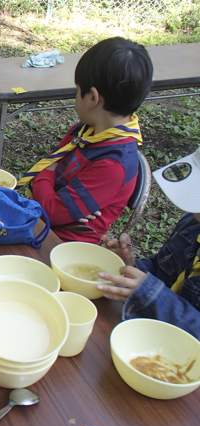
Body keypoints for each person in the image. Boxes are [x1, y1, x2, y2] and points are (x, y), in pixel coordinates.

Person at [16, 37, 153, 243]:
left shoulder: (113, 165)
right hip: (41, 219)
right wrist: (50, 189)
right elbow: (51, 171)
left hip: (61, 243)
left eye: (78, 90)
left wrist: (44, 180)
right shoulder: (85, 131)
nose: (76, 96)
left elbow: (52, 211)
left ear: (92, 98)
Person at [97, 146, 200, 340]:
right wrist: (130, 265)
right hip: (144, 333)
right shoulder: (194, 222)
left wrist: (152, 295)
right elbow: (161, 268)